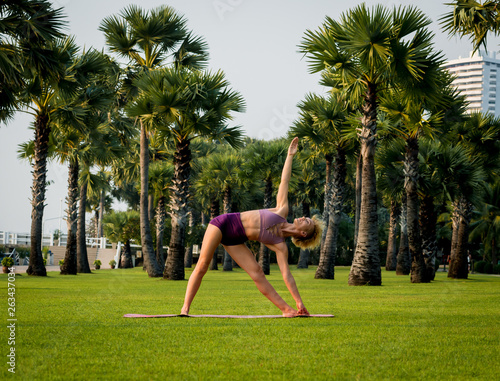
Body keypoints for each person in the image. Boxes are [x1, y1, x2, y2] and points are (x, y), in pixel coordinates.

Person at [181, 137, 324, 317]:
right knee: (202, 265)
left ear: (303, 233)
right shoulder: (281, 210)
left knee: (257, 273)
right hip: (223, 223)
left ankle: (287, 310)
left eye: (307, 221)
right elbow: (284, 182)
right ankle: (185, 308)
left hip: (235, 240)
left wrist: (299, 301)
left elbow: (287, 276)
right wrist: (290, 156)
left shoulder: (280, 246)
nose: (304, 217)